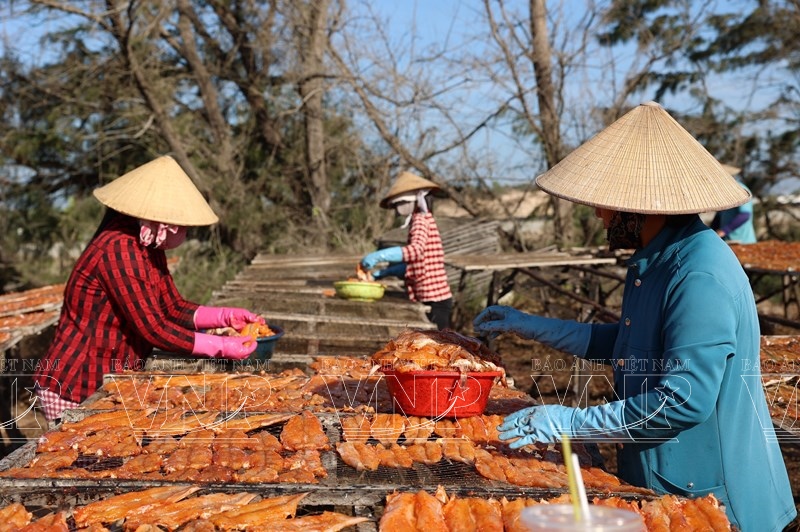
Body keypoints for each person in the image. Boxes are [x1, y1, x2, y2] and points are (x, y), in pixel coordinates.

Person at [473, 102, 795, 531]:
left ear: (641, 207)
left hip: (715, 502)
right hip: (665, 483)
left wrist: (572, 423)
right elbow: (629, 344)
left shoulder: (698, 273)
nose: (600, 215)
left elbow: (682, 401)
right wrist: (531, 326)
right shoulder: (658, 260)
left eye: (607, 205)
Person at [34, 155, 264, 422]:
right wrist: (220, 346)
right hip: (77, 380)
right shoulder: (118, 248)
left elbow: (172, 307)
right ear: (160, 220)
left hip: (112, 375)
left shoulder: (148, 246)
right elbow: (154, 329)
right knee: (80, 455)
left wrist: (223, 317)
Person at [361, 171, 454, 330]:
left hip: (435, 298)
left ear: (412, 201)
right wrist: (385, 272)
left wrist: (379, 256)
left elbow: (415, 251)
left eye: (398, 204)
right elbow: (418, 262)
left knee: (438, 346)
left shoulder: (421, 220)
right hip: (429, 294)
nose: (397, 210)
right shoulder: (420, 220)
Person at [710, 164, 757, 243]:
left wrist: (724, 230)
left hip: (743, 241)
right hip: (728, 241)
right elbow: (719, 217)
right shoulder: (723, 193)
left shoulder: (741, 190)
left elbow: (745, 215)